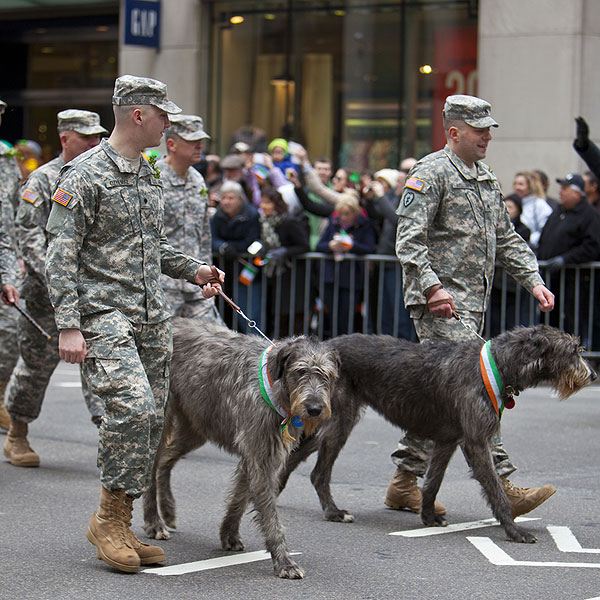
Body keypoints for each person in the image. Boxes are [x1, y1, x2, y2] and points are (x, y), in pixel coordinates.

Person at [44, 75, 224, 574]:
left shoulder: (147, 174)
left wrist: (195, 269)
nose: (170, 123)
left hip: (151, 316)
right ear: (139, 115)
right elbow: (59, 254)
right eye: (163, 114)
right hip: (103, 316)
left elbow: (152, 244)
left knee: (153, 422)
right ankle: (107, 519)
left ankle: (119, 519)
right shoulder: (84, 174)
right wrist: (68, 324)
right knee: (134, 410)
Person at [388, 94, 556, 518]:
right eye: (479, 130)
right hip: (440, 306)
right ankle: (502, 486)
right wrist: (431, 288)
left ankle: (404, 482)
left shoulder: (485, 177)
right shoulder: (431, 172)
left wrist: (533, 280)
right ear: (454, 132)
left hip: (471, 307)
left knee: (441, 400)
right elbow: (408, 241)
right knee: (478, 390)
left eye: (489, 130)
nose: (486, 137)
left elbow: (507, 237)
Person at [3, 110, 108, 467]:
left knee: (102, 363)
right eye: (87, 137)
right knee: (35, 367)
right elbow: (27, 233)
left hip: (91, 293)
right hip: (45, 295)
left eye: (98, 136)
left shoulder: (99, 177)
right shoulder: (43, 180)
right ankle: (17, 433)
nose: (95, 142)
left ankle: (110, 439)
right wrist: (56, 274)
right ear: (65, 139)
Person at [157, 114, 224, 324]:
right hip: (164, 284)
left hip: (196, 283)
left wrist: (210, 274)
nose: (199, 147)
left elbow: (204, 233)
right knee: (162, 347)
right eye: (192, 142)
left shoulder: (197, 179)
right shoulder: (154, 178)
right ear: (172, 144)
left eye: (200, 142)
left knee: (216, 342)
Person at [537, 173, 600, 339]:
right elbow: (545, 237)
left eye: (565, 189)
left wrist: (565, 259)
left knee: (572, 324)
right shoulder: (558, 211)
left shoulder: (589, 215)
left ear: (577, 193)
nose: (560, 192)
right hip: (553, 280)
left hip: (575, 282)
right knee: (550, 322)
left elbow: (592, 246)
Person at [316, 193, 376, 337]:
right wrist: (331, 246)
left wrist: (352, 245)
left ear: (354, 213)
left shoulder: (364, 225)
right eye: (341, 214)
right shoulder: (333, 223)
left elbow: (370, 247)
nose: (343, 217)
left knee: (346, 317)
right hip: (331, 276)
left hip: (351, 278)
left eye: (347, 214)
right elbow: (319, 245)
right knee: (332, 315)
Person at [258, 185, 309, 336]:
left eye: (267, 203)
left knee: (291, 314)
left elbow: (304, 245)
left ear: (276, 204)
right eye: (262, 202)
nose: (263, 206)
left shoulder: (289, 221)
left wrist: (285, 251)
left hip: (291, 275)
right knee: (276, 314)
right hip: (273, 274)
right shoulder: (263, 222)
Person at [210, 180, 261, 332]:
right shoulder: (217, 216)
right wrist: (222, 247)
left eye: (230, 198)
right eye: (223, 198)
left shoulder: (251, 214)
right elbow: (212, 238)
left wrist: (235, 248)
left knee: (249, 311)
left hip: (246, 267)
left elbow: (253, 240)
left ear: (240, 199)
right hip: (223, 270)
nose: (226, 202)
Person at [0, 99, 22, 431]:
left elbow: (12, 219)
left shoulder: (6, 160)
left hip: (4, 261)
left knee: (9, 333)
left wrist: (13, 266)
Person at [512, 170, 553, 251]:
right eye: (515, 184)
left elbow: (547, 229)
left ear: (530, 186)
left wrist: (531, 240)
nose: (517, 187)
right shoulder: (515, 202)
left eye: (521, 184)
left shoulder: (539, 204)